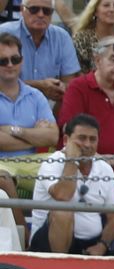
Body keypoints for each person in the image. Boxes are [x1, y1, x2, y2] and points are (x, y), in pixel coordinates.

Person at [28, 114, 114, 256]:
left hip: (92, 244)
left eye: (92, 139)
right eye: (81, 138)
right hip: (48, 244)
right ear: (66, 140)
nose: (87, 144)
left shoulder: (104, 168)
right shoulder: (52, 162)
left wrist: (102, 245)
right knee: (63, 211)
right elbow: (63, 196)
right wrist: (72, 160)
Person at [0, 30, 57, 198]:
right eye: (3, 61)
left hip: (31, 163)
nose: (10, 64)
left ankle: (50, 224)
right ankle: (21, 226)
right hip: (1, 165)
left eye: (15, 59)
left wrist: (13, 130)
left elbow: (52, 136)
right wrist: (34, 134)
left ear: (22, 61)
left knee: (63, 170)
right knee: (3, 180)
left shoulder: (36, 95)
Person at [1, 0, 78, 108]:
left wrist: (60, 88)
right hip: (7, 107)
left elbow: (70, 85)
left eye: (46, 11)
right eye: (34, 9)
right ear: (22, 10)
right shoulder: (3, 33)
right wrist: (38, 86)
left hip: (49, 111)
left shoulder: (62, 38)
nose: (41, 14)